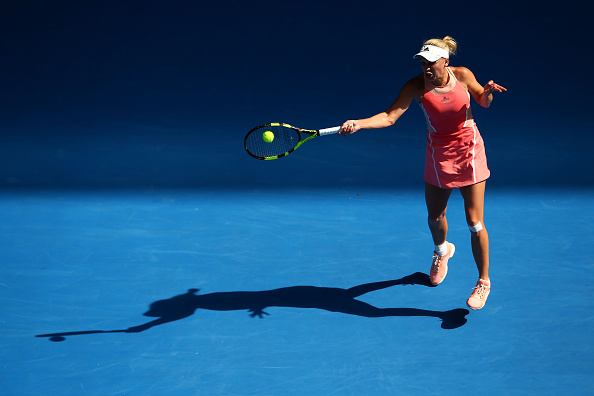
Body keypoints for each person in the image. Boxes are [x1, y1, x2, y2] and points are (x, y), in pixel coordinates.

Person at [340, 36, 506, 310]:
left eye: (431, 62)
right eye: (422, 62)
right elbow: (390, 116)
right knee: (435, 216)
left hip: (469, 151)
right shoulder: (416, 87)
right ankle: (443, 251)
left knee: (474, 222)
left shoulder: (462, 75)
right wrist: (359, 123)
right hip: (439, 153)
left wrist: (486, 92)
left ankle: (483, 281)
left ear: (445, 61)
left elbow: (482, 101)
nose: (426, 67)